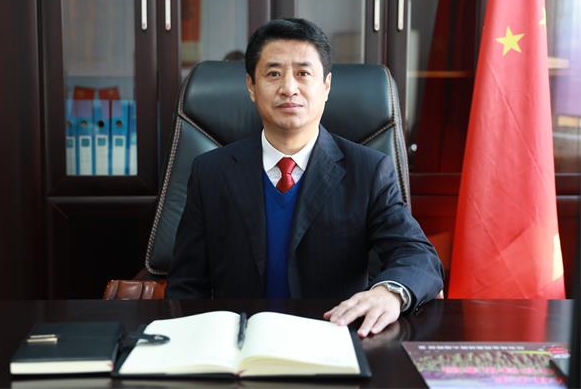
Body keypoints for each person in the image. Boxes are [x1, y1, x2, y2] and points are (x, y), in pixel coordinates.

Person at [166, 18, 444, 337]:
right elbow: (186, 285)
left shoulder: (368, 171)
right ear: (251, 87)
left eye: (303, 73)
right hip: (239, 345)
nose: (289, 88)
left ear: (326, 86)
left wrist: (389, 293)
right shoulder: (211, 172)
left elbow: (418, 256)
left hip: (333, 340)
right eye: (273, 74)